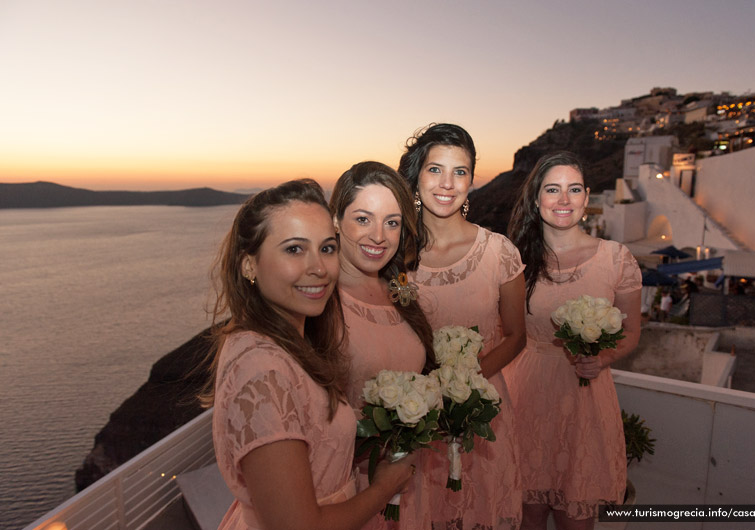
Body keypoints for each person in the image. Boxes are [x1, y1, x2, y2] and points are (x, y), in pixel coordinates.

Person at [201, 179, 415, 530]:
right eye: (294, 250)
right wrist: (385, 486)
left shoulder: (291, 345)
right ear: (248, 265)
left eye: (327, 249)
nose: (319, 268)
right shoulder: (261, 370)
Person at [398, 123, 527, 530]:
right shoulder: (394, 256)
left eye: (461, 171)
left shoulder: (499, 252)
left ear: (472, 180)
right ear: (417, 176)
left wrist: (465, 387)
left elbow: (517, 335)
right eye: (436, 169)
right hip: (413, 418)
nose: (448, 183)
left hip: (482, 412)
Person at [506, 151, 642, 530]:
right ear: (537, 199)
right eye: (553, 189)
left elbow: (632, 333)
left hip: (585, 400)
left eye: (574, 189)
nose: (564, 200)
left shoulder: (617, 259)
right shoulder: (514, 260)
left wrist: (602, 358)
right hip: (526, 395)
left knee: (575, 518)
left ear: (586, 198)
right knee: (527, 517)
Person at [329, 161, 436, 529]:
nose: (379, 236)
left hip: (406, 478)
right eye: (363, 219)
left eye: (391, 222)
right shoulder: (316, 304)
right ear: (335, 220)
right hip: (348, 490)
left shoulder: (400, 288)